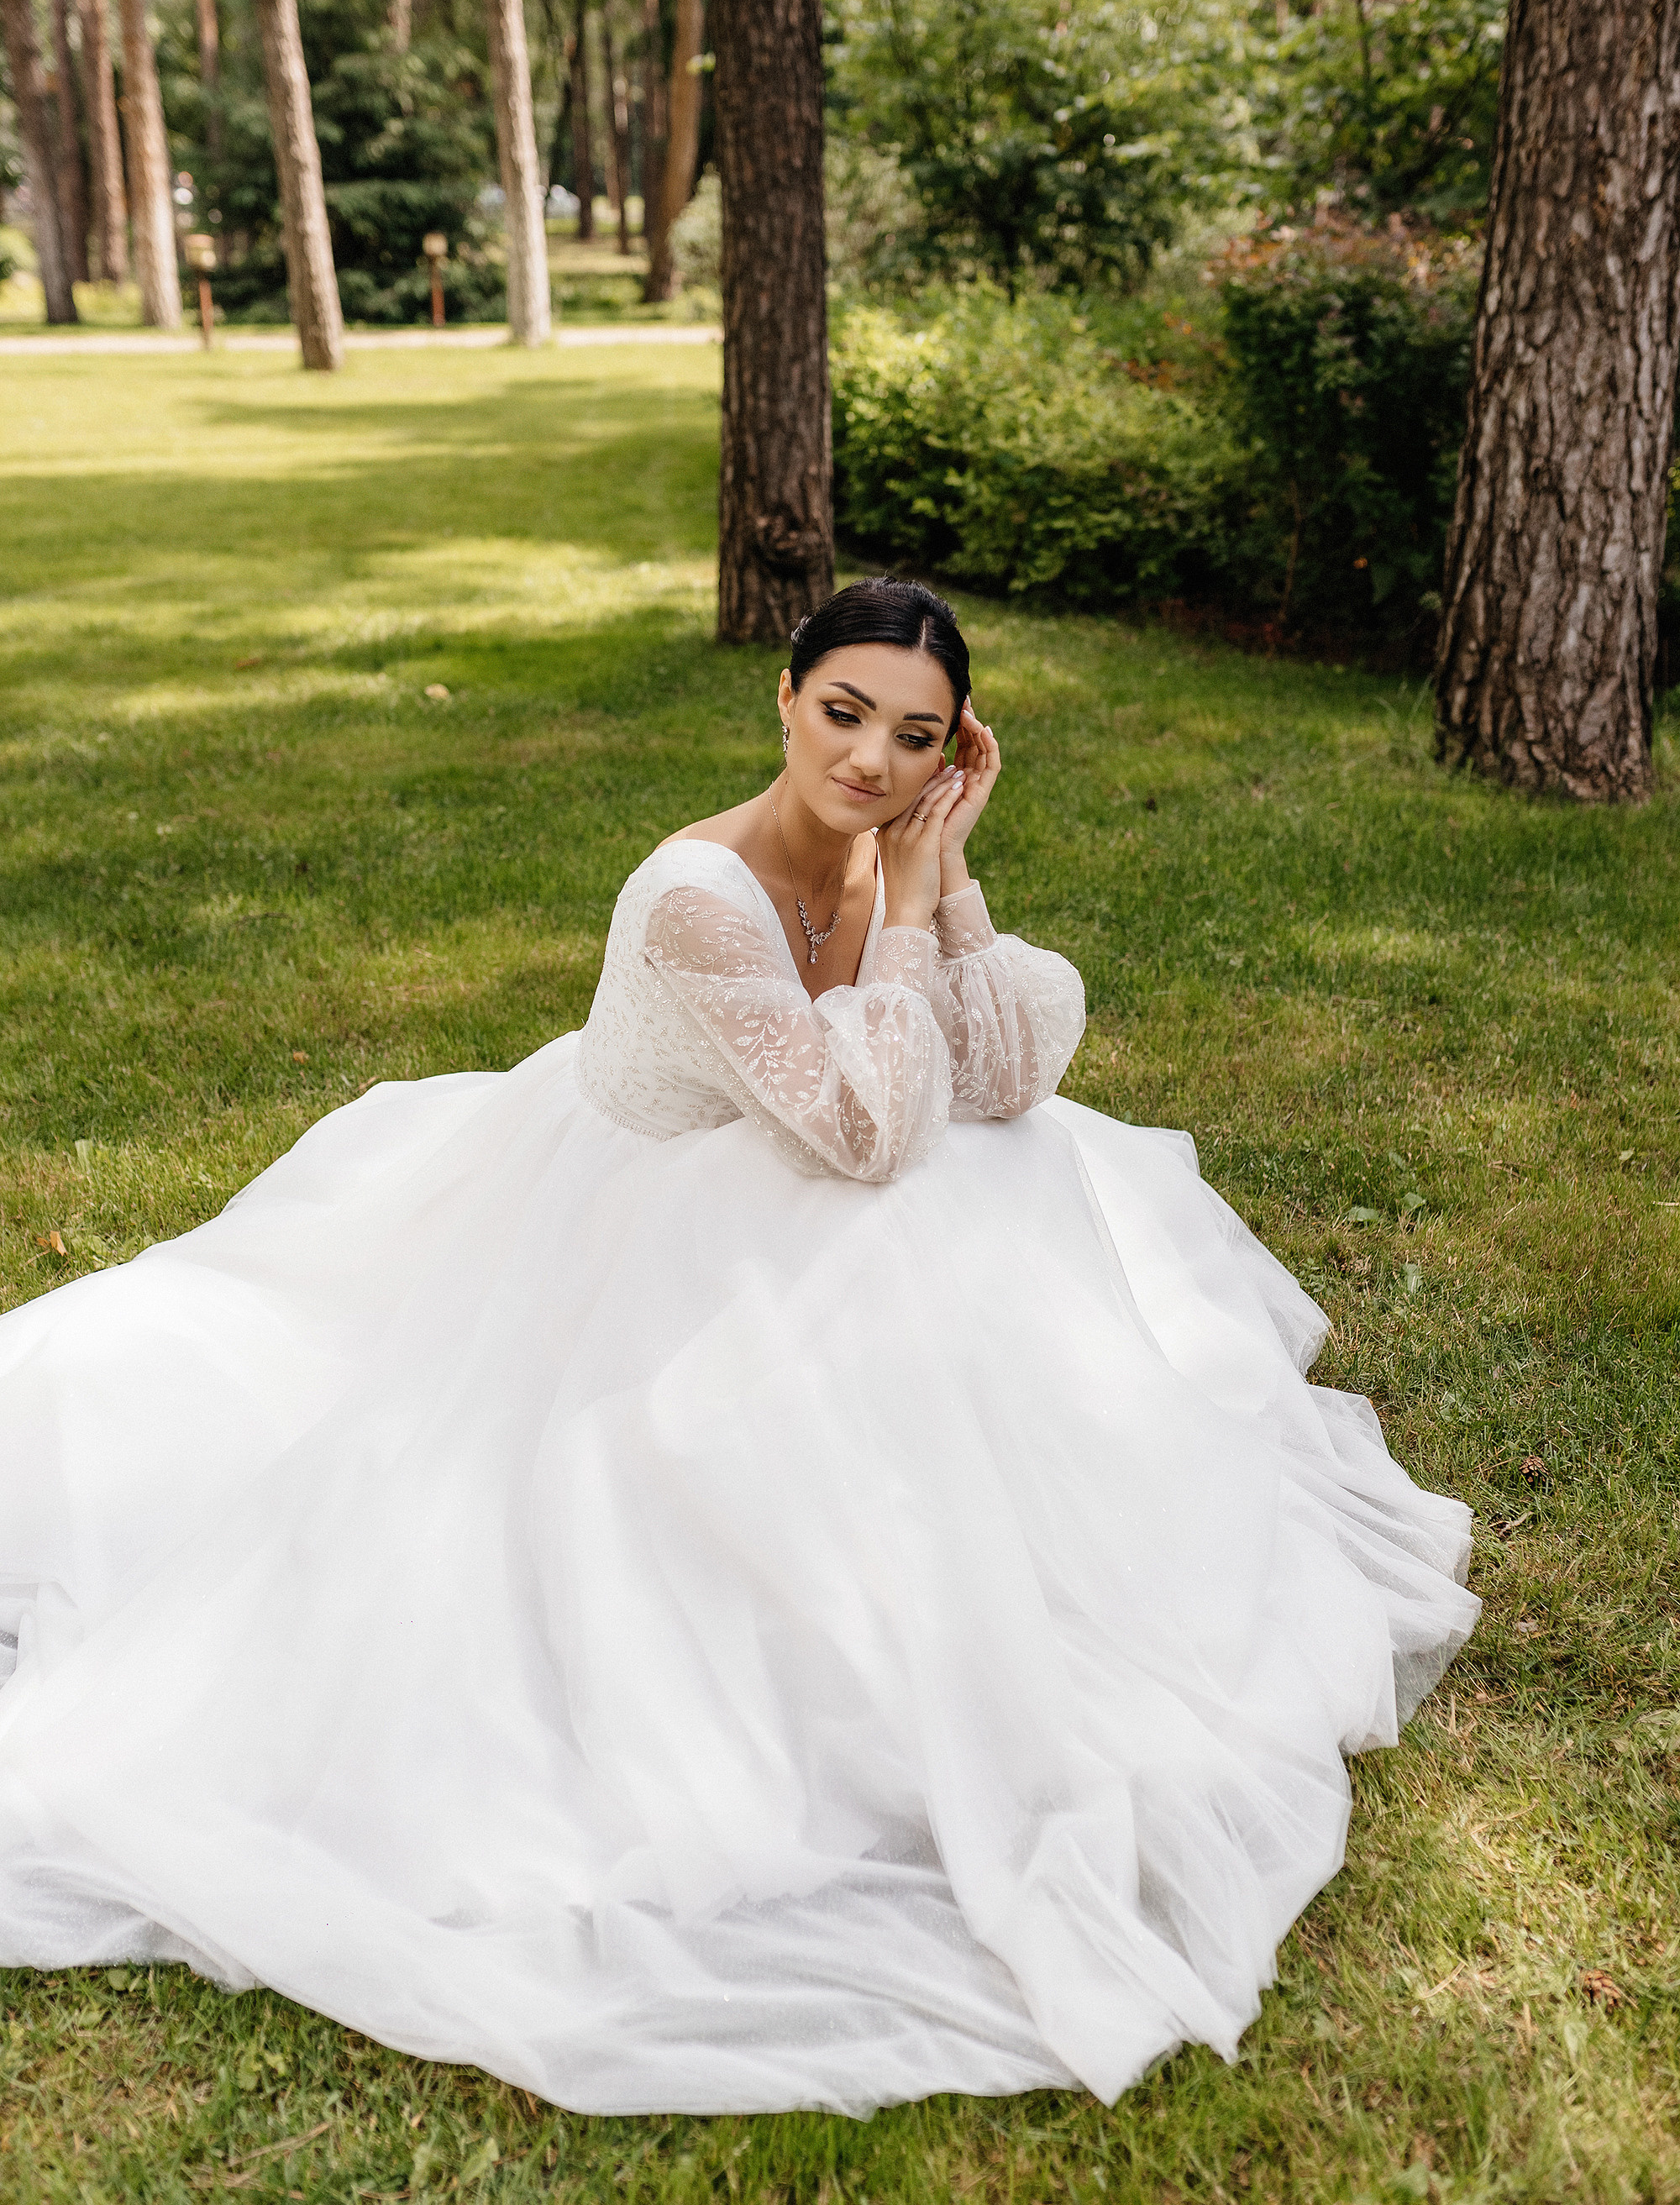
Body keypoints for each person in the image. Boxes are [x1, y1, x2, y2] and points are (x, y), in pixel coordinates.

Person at [0, 578, 1478, 2117]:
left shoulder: (895, 844)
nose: (871, 762)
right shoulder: (694, 898)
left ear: (953, 752)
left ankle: (1012, 1583)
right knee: (901, 1229)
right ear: (783, 697)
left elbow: (1005, 1072)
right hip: (632, 1233)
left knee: (1018, 1173)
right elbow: (869, 1128)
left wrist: (949, 876)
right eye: (843, 714)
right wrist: (907, 922)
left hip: (797, 1179)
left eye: (916, 738)